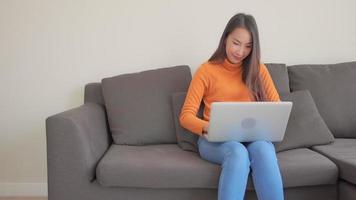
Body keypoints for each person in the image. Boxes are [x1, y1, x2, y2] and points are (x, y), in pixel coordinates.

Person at [179, 13, 283, 200]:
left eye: (248, 46)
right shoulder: (206, 70)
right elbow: (186, 116)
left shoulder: (258, 69)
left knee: (264, 150)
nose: (240, 51)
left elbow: (277, 108)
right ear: (225, 38)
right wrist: (207, 127)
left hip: (253, 138)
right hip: (215, 140)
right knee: (237, 152)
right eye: (236, 42)